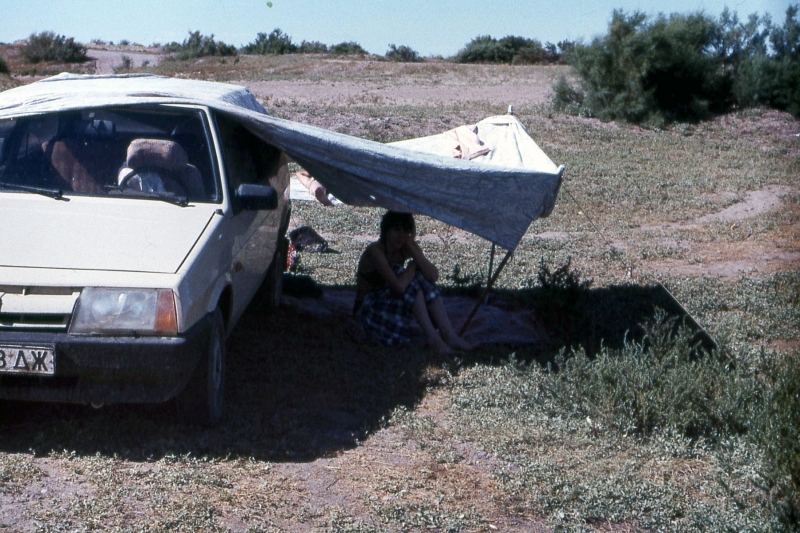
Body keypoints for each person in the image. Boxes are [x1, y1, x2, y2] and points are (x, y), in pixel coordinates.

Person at [353, 211, 475, 354]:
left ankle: (449, 335)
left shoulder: (406, 247)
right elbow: (398, 287)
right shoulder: (375, 251)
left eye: (406, 230)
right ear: (386, 230)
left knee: (419, 276)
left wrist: (413, 248)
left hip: (389, 304)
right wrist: (412, 266)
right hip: (367, 311)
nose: (401, 235)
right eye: (396, 229)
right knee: (405, 274)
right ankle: (434, 340)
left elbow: (433, 276)